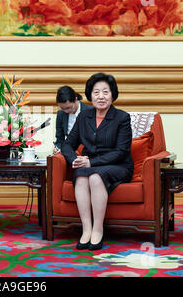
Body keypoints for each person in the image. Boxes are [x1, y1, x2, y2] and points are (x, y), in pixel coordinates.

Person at [61, 73, 134, 251]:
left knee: (94, 176)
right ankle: (86, 229)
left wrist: (91, 163)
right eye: (96, 92)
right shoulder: (84, 117)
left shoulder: (122, 118)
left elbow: (121, 151)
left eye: (105, 92)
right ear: (90, 95)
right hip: (88, 166)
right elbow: (67, 144)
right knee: (81, 176)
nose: (101, 96)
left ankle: (98, 229)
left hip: (118, 165)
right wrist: (76, 159)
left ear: (112, 94)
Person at [54, 85, 93, 154]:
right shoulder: (61, 114)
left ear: (75, 99)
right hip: (71, 152)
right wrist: (58, 148)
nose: (66, 111)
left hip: (89, 151)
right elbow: (60, 139)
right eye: (63, 109)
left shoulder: (91, 111)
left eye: (69, 108)